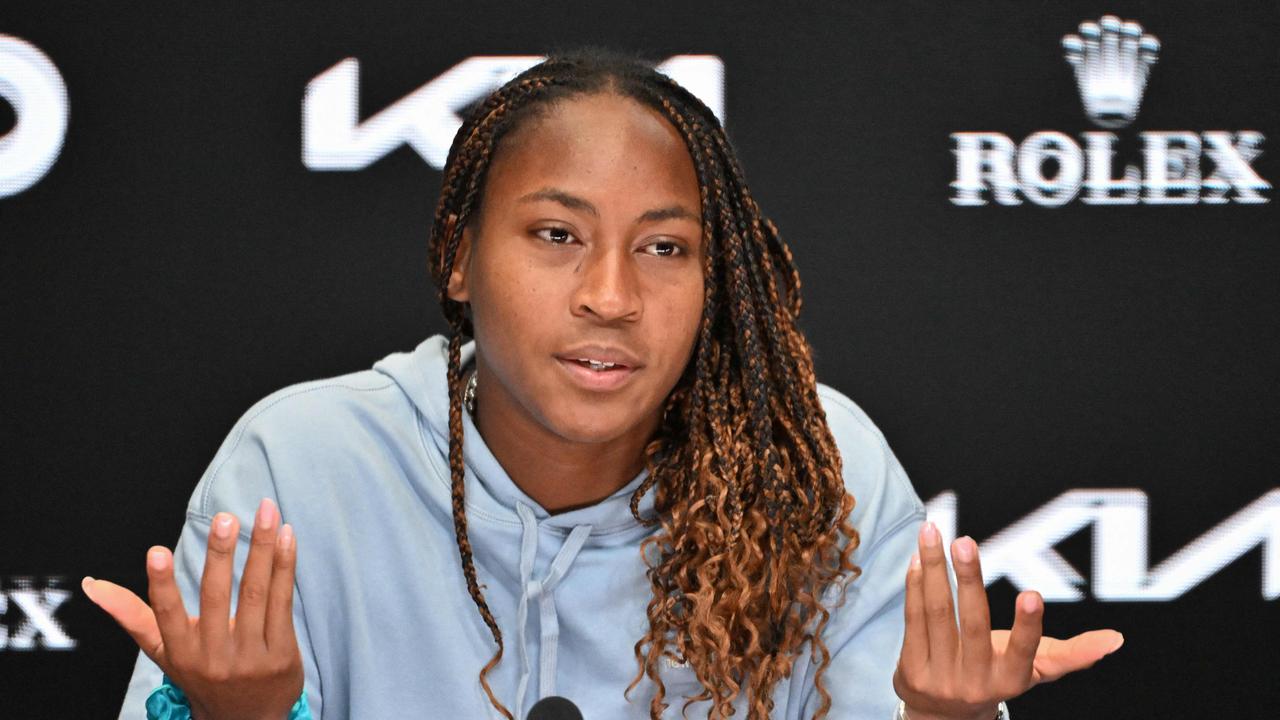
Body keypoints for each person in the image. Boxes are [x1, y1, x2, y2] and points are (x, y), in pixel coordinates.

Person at [83, 47, 1122, 720]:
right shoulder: (299, 465)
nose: (611, 295)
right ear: (457, 256)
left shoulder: (813, 462)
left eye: (665, 249)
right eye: (554, 235)